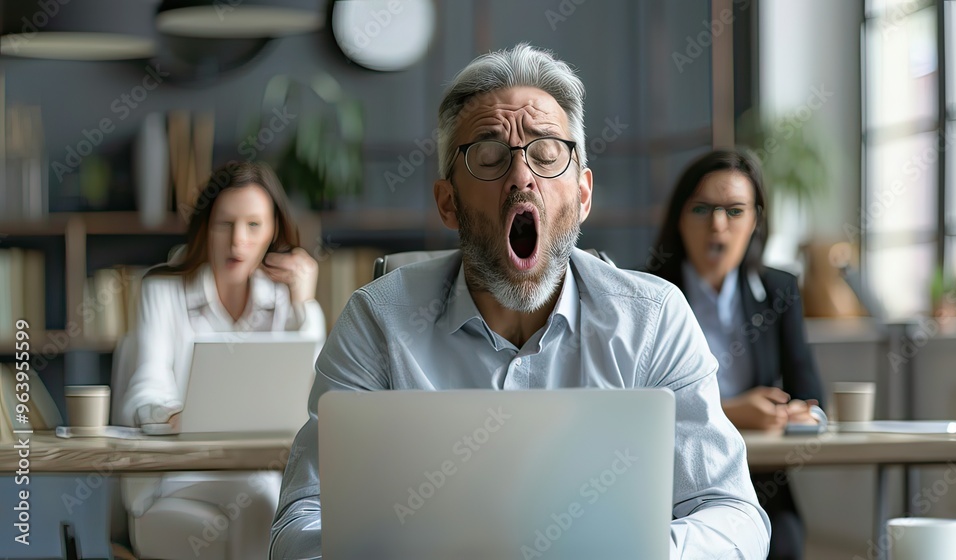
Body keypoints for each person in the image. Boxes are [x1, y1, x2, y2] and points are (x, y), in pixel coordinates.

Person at [270, 43, 769, 559]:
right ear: (448, 202)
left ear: (582, 195)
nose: (521, 177)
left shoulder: (654, 320)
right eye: (488, 156)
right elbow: (302, 519)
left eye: (547, 153)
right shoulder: (377, 321)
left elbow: (731, 511)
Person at [118, 160, 326, 560]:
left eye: (253, 225)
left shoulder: (283, 301)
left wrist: (306, 305)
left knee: (262, 497)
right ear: (205, 228)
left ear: (273, 232)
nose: (237, 242)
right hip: (177, 476)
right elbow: (145, 387)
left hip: (258, 470)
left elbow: (313, 394)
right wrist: (170, 414)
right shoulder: (162, 292)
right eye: (224, 224)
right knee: (263, 498)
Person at [648, 148, 825, 560]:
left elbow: (814, 398)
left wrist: (797, 414)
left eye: (734, 211)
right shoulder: (647, 293)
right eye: (702, 209)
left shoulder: (779, 291)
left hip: (757, 476)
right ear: (679, 216)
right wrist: (731, 411)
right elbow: (634, 408)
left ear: (755, 222)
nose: (717, 226)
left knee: (784, 544)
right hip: (667, 478)